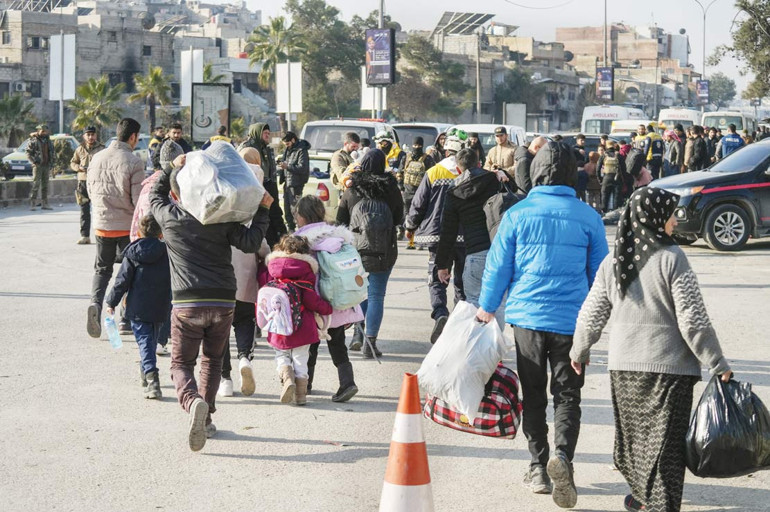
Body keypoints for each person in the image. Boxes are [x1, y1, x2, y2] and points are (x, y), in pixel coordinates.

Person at [570, 186, 732, 512]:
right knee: (665, 451)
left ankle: (643, 500)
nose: (675, 221)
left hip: (623, 370)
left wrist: (579, 351)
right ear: (655, 217)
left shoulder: (613, 262)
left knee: (636, 444)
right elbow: (694, 321)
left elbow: (591, 314)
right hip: (669, 373)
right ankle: (658, 505)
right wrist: (718, 364)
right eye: (672, 214)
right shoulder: (672, 259)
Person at [476, 140, 608, 509]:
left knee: (532, 396)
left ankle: (538, 467)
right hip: (573, 322)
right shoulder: (588, 217)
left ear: (535, 171)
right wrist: (598, 323)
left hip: (527, 321)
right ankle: (563, 459)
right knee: (568, 396)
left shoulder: (518, 214)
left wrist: (486, 308)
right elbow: (601, 277)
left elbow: (498, 266)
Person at [149, 152, 273, 451]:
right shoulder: (221, 219)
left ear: (179, 193)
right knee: (213, 360)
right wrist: (265, 210)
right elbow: (251, 242)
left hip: (187, 303)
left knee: (181, 363)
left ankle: (192, 402)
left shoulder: (170, 218)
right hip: (223, 301)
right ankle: (206, 418)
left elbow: (155, 193)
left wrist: (172, 166)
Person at [294, 195, 363, 402]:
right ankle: (347, 382)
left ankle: (306, 383)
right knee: (338, 344)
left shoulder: (302, 240)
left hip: (315, 302)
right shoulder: (337, 237)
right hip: (339, 300)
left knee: (311, 343)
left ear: (303, 217)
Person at [337, 149, 403, 359]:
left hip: (356, 252)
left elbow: (340, 222)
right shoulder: (390, 188)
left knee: (359, 293)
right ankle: (371, 343)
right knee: (376, 295)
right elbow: (399, 217)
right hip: (384, 250)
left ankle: (358, 333)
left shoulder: (352, 189)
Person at [218, 147, 271, 398]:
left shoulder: (224, 189)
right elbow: (258, 241)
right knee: (243, 320)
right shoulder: (258, 193)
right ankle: (244, 360)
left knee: (220, 328)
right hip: (246, 271)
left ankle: (225, 379)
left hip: (220, 270)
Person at [86, 118, 145, 339]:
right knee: (131, 273)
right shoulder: (134, 161)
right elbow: (138, 201)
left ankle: (95, 304)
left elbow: (89, 191)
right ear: (133, 137)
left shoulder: (96, 157)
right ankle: (124, 319)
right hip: (125, 226)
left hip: (101, 225)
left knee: (102, 271)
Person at [405, 133, 467, 344]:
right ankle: (459, 321)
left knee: (436, 278)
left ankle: (441, 313)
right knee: (461, 281)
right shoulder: (468, 171)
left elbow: (419, 202)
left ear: (445, 150)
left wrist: (410, 226)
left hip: (437, 235)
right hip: (463, 236)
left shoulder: (434, 171)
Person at [435, 148, 506, 326]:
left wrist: (442, 265)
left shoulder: (454, 191)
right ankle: (494, 351)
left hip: (475, 253)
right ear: (479, 163)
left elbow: (448, 231)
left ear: (458, 169)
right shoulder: (494, 181)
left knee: (474, 304)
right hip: (500, 251)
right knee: (499, 306)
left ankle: (477, 349)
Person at [105, 215, 171, 400]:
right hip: (160, 306)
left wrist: (111, 302)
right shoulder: (167, 251)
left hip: (138, 307)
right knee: (150, 341)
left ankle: (152, 380)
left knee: (144, 343)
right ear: (161, 232)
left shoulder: (133, 253)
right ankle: (146, 372)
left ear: (140, 231)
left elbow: (122, 281)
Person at [263, 235, 333, 406]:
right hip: (303, 326)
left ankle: (287, 377)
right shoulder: (305, 272)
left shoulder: (272, 271)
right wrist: (327, 308)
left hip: (279, 325)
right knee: (301, 359)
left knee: (282, 354)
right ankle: (301, 395)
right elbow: (311, 301)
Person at [239, 123, 288, 246]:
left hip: (268, 186)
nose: (268, 135)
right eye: (265, 133)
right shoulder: (247, 148)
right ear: (257, 133)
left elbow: (270, 171)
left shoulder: (267, 148)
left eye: (268, 133)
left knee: (275, 218)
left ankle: (281, 242)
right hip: (255, 188)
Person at [70, 126, 105, 244]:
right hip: (83, 182)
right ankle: (85, 235)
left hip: (97, 182)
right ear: (84, 136)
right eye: (88, 134)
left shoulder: (102, 149)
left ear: (96, 135)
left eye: (92, 134)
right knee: (84, 210)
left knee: (99, 210)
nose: (90, 137)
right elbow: (73, 162)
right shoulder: (79, 149)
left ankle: (102, 236)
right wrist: (78, 168)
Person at [400, 136, 435, 249]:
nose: (416, 147)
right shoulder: (406, 158)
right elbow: (400, 172)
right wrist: (400, 186)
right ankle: (411, 241)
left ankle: (417, 240)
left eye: (419, 146)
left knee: (420, 216)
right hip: (408, 191)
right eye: (415, 145)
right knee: (408, 216)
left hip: (421, 192)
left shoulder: (427, 159)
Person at [279, 131, 311, 232]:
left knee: (295, 210)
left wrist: (287, 166)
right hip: (287, 184)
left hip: (296, 184)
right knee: (287, 210)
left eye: (288, 144)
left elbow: (302, 168)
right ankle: (291, 230)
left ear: (293, 140)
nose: (287, 146)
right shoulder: (289, 150)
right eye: (285, 145)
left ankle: (299, 231)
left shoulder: (301, 150)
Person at [26, 124, 55, 211]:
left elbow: (52, 152)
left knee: (45, 185)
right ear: (38, 131)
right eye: (42, 131)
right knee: (36, 184)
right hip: (38, 166)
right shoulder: (33, 140)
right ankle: (32, 203)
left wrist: (52, 163)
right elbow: (28, 153)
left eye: (45, 131)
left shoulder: (48, 141)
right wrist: (34, 162)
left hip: (46, 165)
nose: (44, 133)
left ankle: (45, 203)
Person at [597, 141, 623, 213]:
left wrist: (600, 179)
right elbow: (624, 168)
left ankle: (604, 213)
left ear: (606, 146)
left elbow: (598, 169)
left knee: (604, 197)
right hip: (617, 179)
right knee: (616, 199)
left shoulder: (604, 156)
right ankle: (615, 214)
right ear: (614, 146)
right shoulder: (618, 155)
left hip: (606, 178)